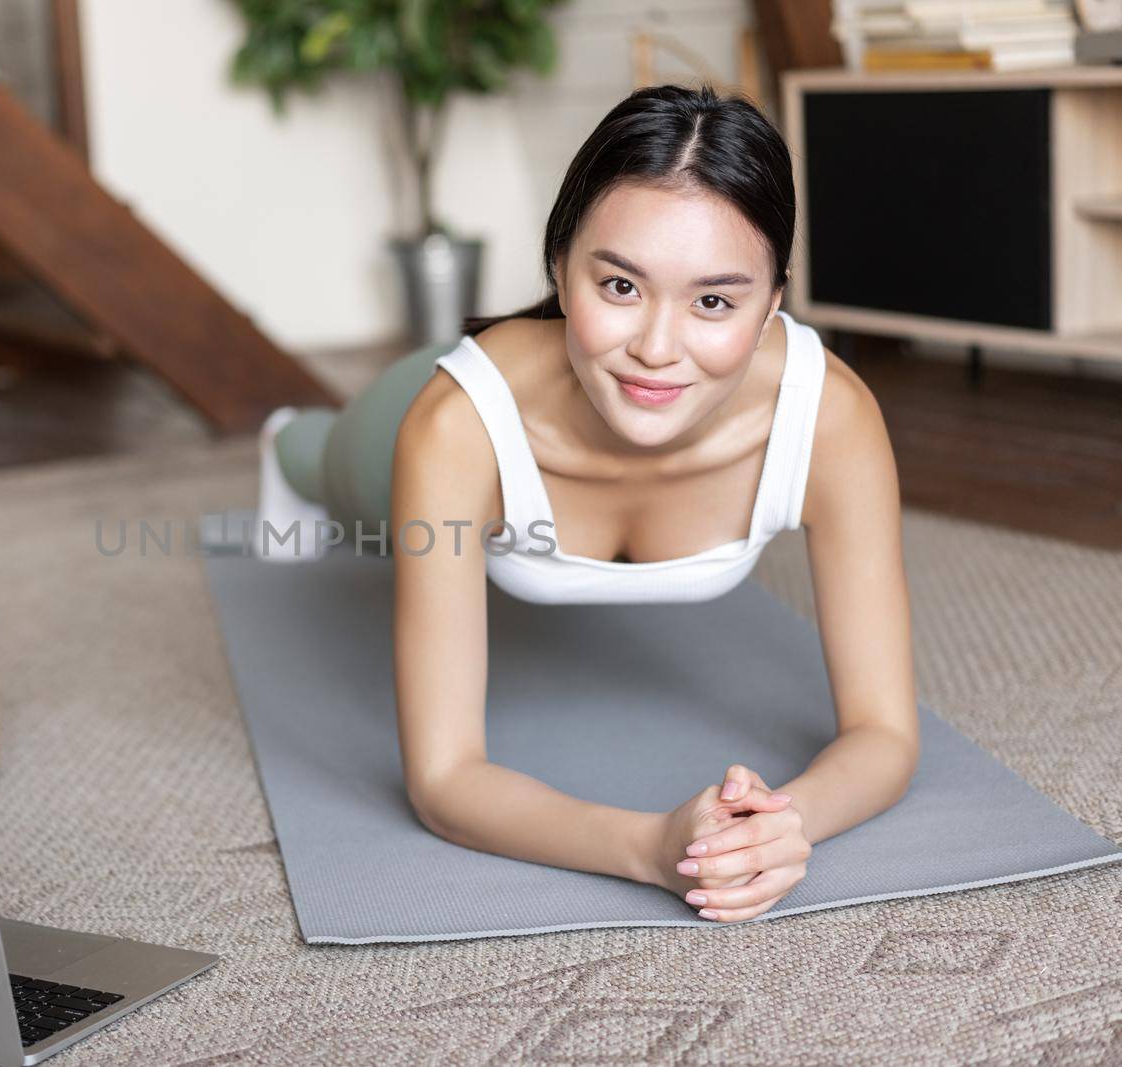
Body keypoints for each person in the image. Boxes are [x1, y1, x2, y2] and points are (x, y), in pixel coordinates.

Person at [254, 83, 920, 924]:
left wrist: (774, 828)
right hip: (409, 421)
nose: (656, 348)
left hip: (548, 376)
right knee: (323, 462)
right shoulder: (456, 425)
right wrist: (650, 847)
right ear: (561, 268)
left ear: (772, 304)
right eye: (620, 287)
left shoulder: (831, 416)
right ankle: (288, 438)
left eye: (714, 300)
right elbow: (444, 777)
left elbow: (886, 735)